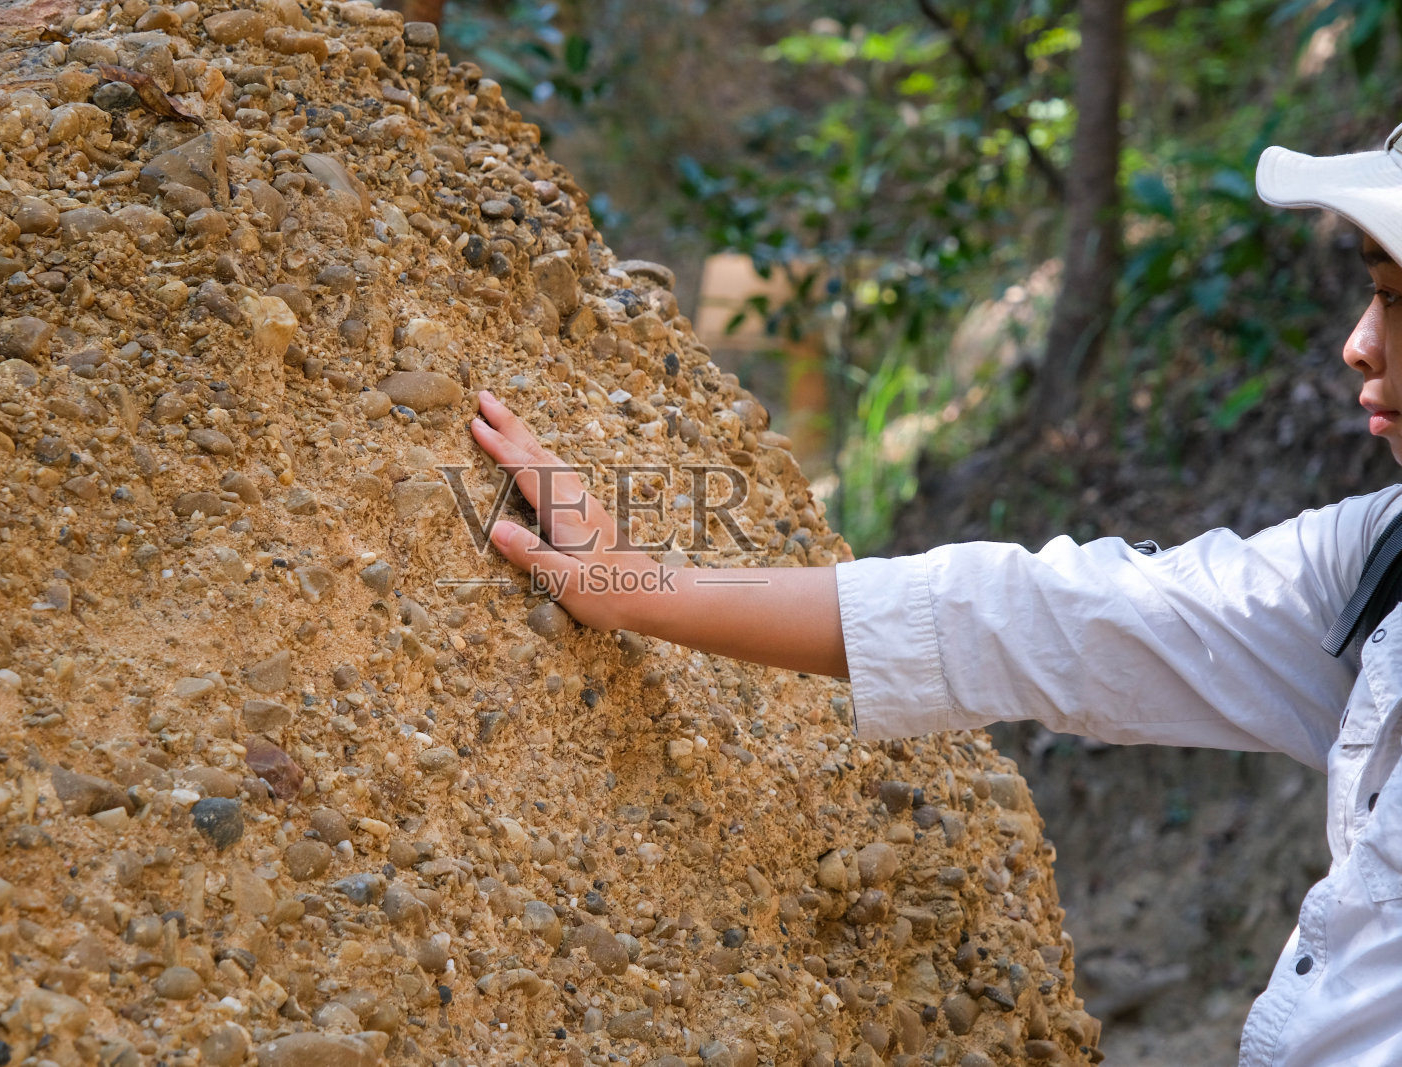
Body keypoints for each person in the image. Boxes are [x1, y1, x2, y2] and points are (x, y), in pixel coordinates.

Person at [468, 125, 1402, 1066]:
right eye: (1373, 288)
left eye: (1400, 297)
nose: (1360, 345)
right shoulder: (1376, 557)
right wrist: (647, 589)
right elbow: (1039, 613)